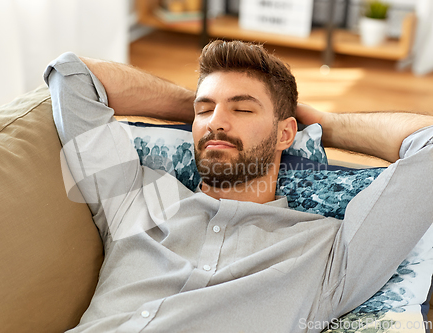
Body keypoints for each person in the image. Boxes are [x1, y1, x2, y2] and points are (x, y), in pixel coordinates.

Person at [44, 40, 433, 333]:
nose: (216, 122)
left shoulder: (327, 253)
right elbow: (73, 76)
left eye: (243, 108)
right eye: (205, 109)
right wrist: (197, 109)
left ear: (285, 133)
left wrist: (322, 123)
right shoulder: (134, 196)